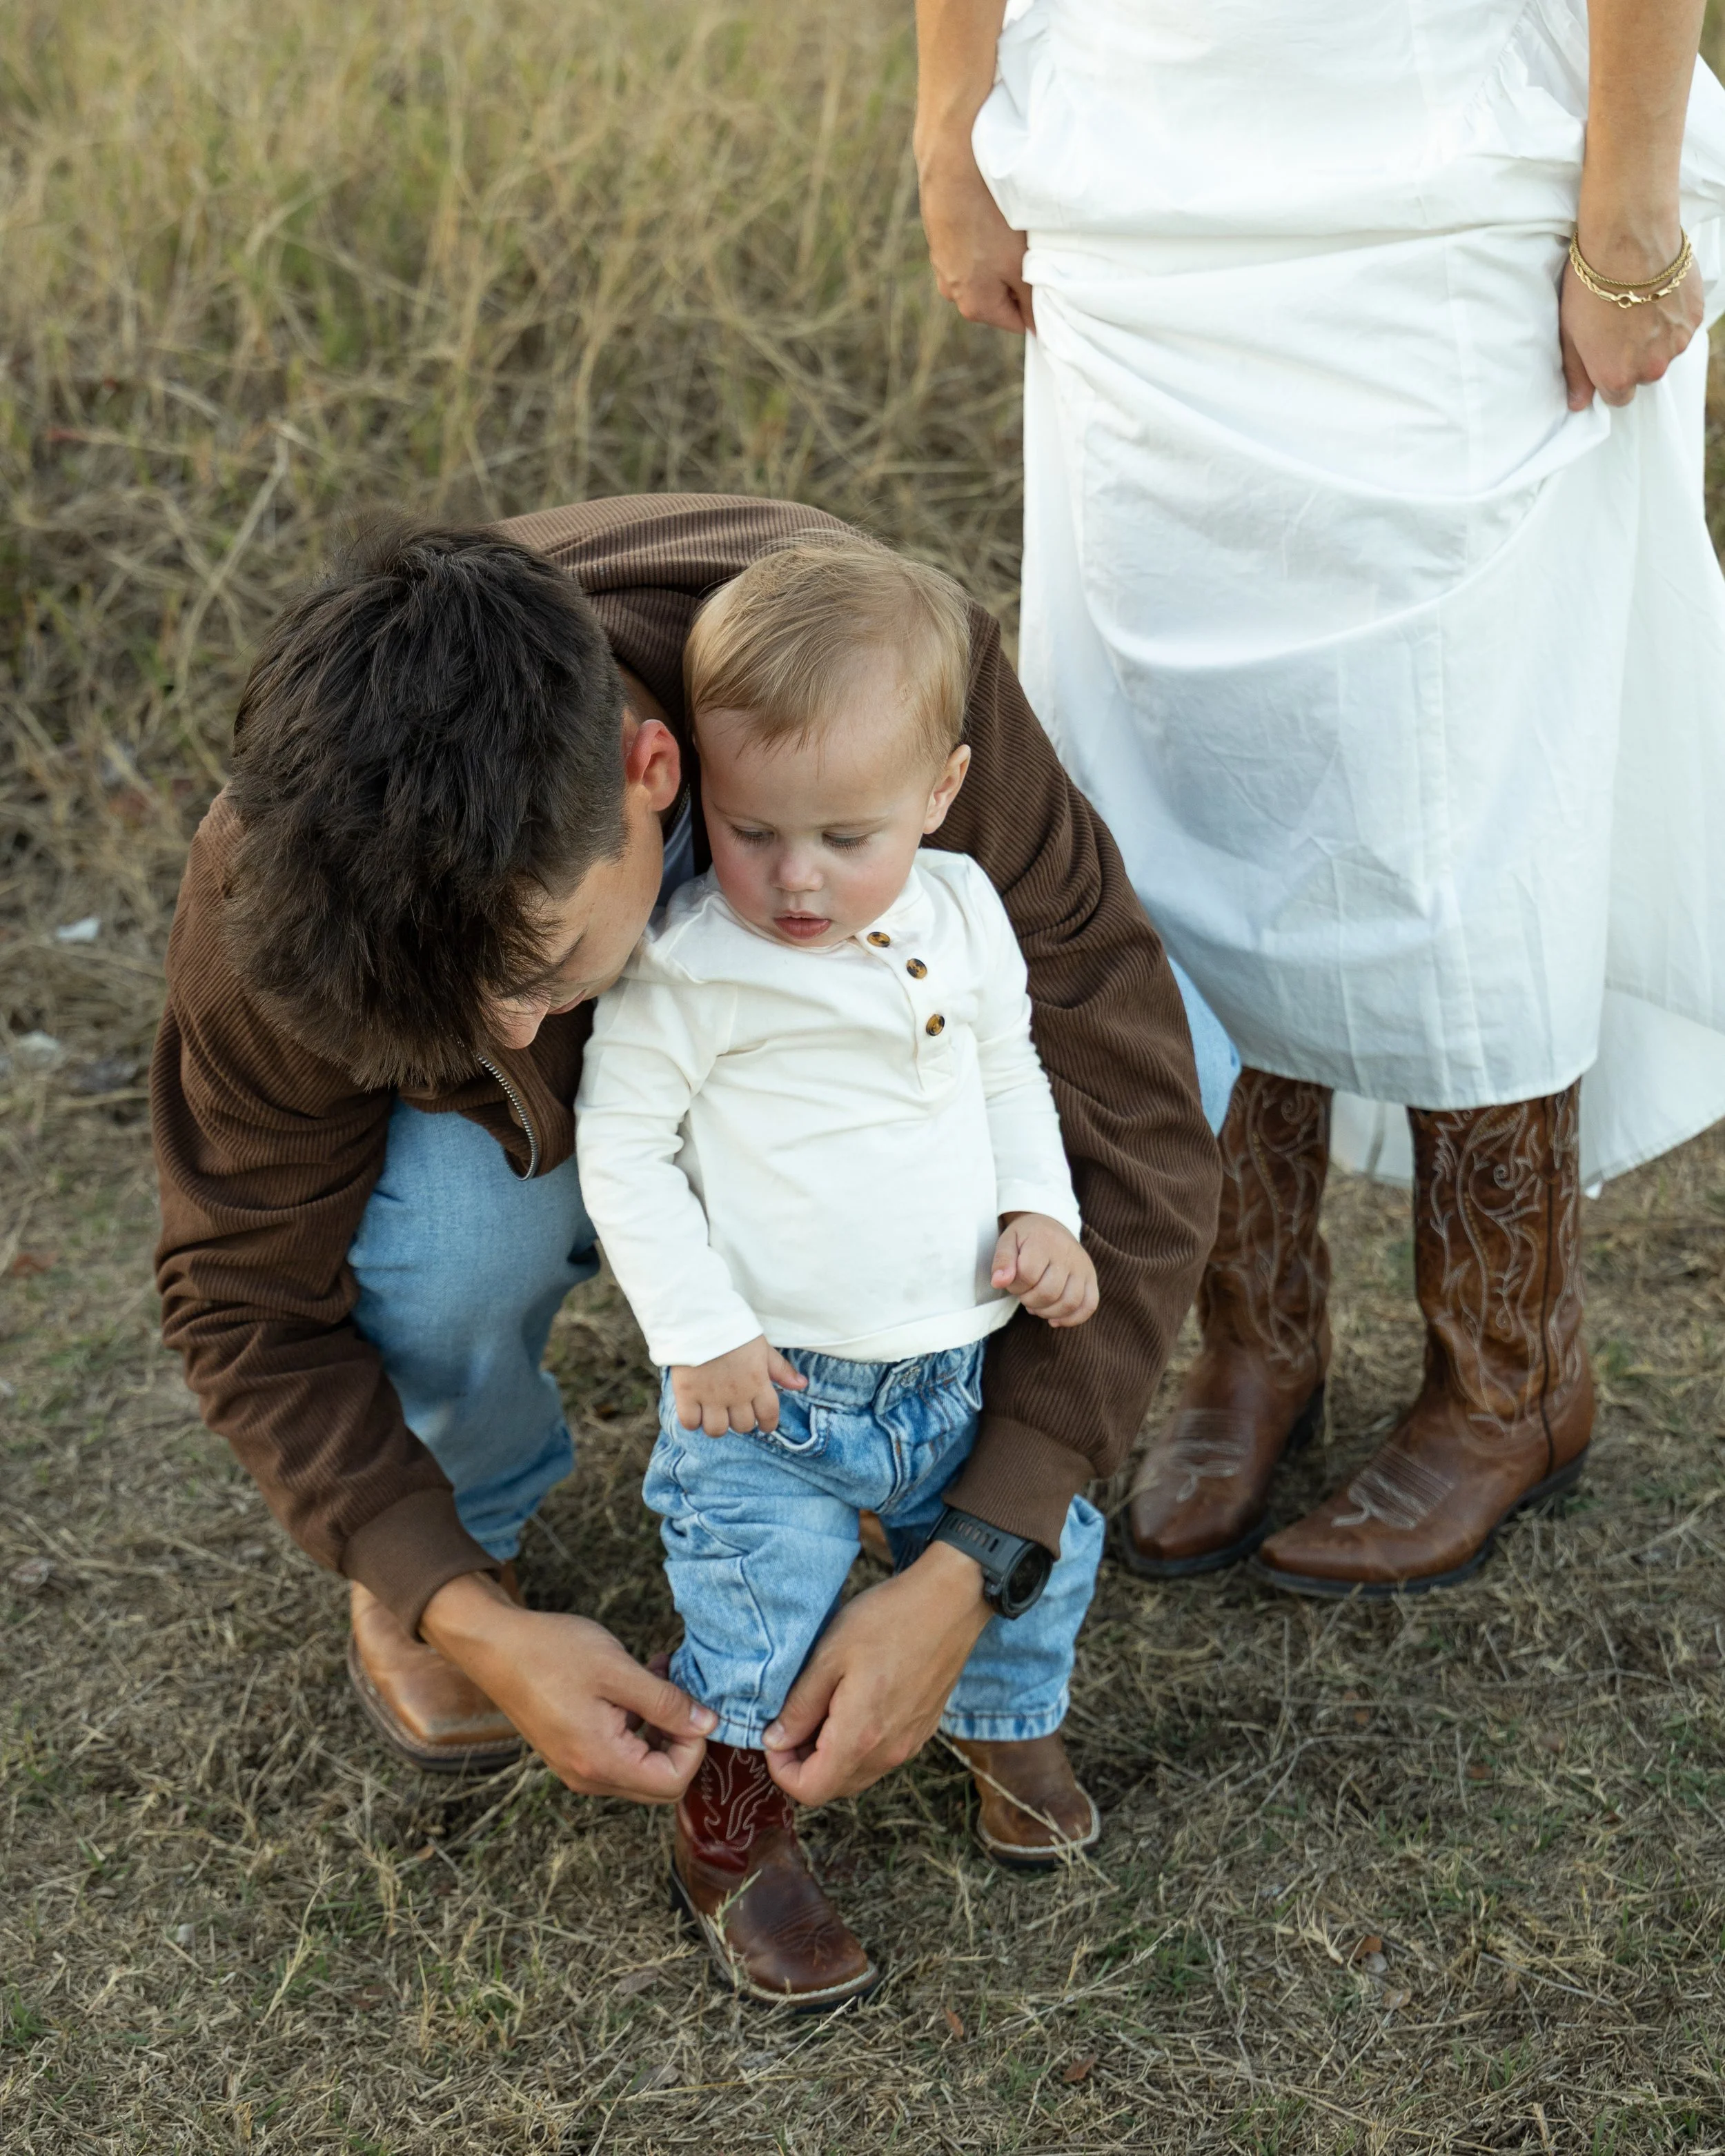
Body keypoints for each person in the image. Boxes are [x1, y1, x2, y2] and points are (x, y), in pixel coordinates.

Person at [150, 500, 1221, 1818]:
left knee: (1186, 1067)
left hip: (852, 1124)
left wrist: (985, 1547)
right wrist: (454, 1605)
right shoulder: (284, 886)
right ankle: (461, 1530)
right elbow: (243, 1290)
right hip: (538, 1158)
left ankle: (914, 1438)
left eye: (538, 970)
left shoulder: (875, 682)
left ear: (651, 772)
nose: (508, 1030)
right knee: (445, 1238)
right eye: (451, 1017)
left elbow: (1134, 1096)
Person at [914, 0, 1725, 1593]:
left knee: (1471, 785)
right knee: (1164, 778)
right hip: (1136, 159)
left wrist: (1623, 204)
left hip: (1438, 157)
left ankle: (1508, 1375)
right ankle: (1250, 1332)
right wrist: (952, 117)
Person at [577, 542, 1105, 2006]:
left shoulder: (962, 910)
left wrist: (1038, 1211)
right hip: (774, 1393)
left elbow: (1009, 1067)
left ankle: (1002, 1717)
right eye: (753, 833)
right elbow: (619, 1150)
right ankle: (732, 1833)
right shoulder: (689, 965)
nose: (796, 878)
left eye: (845, 835)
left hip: (954, 1361)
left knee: (1036, 1555)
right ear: (700, 793)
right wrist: (703, 1330)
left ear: (937, 793)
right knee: (760, 1616)